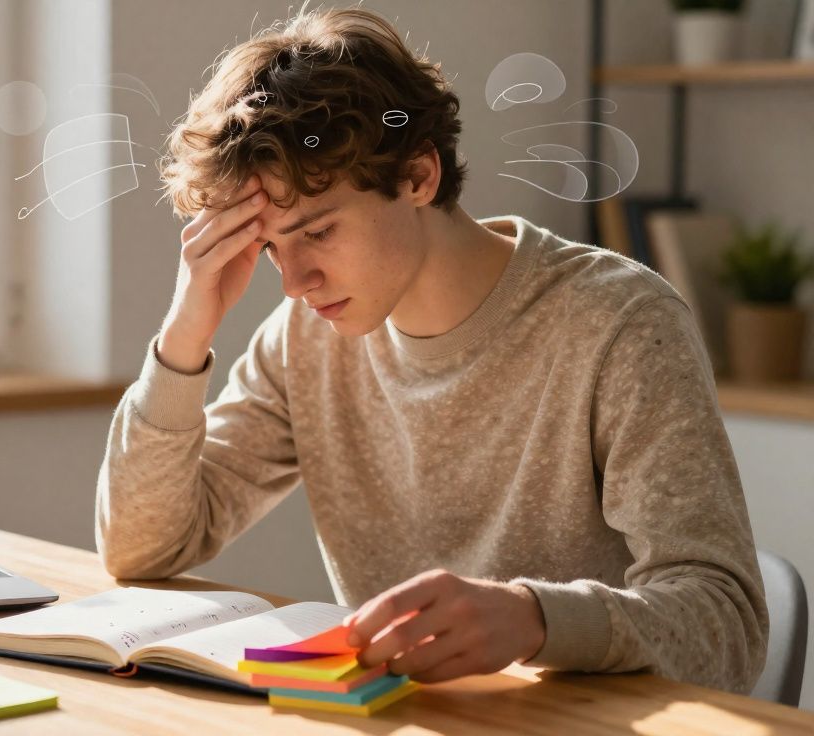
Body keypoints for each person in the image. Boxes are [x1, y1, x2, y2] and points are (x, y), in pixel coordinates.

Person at [93, 5, 768, 694]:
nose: (293, 283)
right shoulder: (306, 341)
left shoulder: (620, 323)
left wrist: (536, 620)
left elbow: (728, 632)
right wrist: (185, 331)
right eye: (269, 247)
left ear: (419, 176)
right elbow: (143, 548)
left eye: (317, 232)